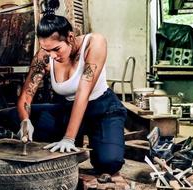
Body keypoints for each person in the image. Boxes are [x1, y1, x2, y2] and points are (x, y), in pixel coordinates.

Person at [16, 0, 127, 175]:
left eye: (56, 49)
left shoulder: (94, 43)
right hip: (69, 109)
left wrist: (68, 138)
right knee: (9, 117)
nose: (52, 56)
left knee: (108, 162)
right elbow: (26, 97)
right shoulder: (44, 56)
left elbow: (83, 92)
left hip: (103, 109)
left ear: (70, 37)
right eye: (46, 50)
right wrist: (25, 120)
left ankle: (90, 140)